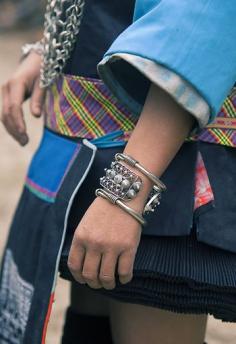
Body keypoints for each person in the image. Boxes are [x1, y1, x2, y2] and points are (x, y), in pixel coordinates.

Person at [0, 0, 236, 343]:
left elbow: (202, 18)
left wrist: (125, 192)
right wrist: (50, 49)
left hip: (161, 169)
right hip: (89, 156)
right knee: (93, 326)